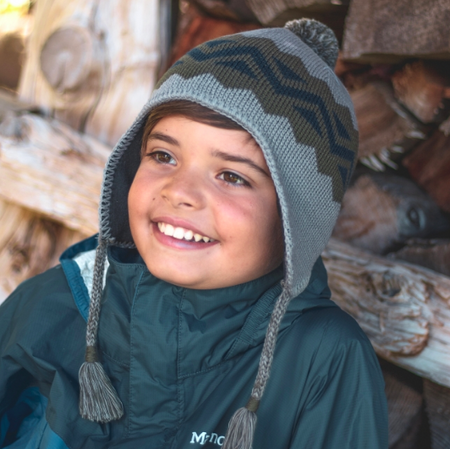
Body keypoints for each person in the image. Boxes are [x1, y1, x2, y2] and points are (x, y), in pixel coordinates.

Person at [0, 18, 388, 449]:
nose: (180, 192)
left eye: (232, 176)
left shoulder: (323, 358)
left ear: (296, 222)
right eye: (163, 155)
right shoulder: (53, 306)